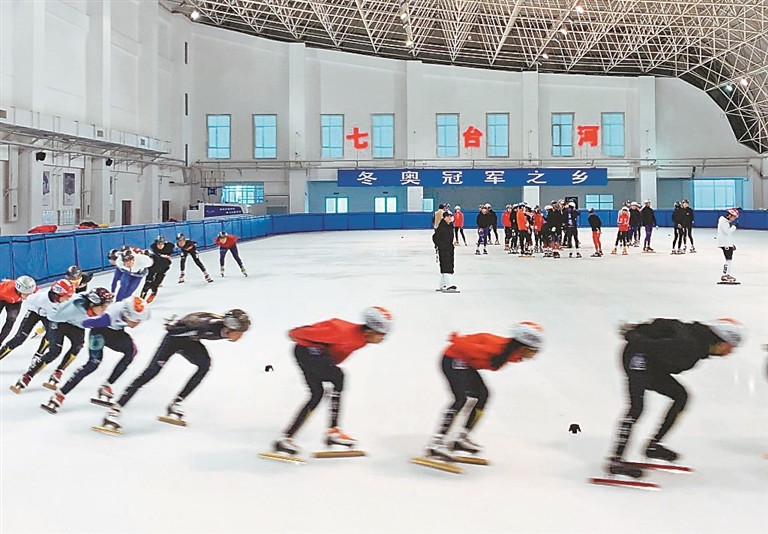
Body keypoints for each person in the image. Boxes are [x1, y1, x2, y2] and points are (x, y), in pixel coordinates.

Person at [606, 318, 744, 478]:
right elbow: (648, 344)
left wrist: (637, 329)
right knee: (637, 408)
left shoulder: (697, 341)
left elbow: (665, 324)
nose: (730, 353)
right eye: (731, 347)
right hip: (638, 355)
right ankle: (616, 460)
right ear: (722, 342)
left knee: (681, 396)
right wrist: (633, 334)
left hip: (652, 362)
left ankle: (653, 445)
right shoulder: (689, 346)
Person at [96, 309, 251, 433]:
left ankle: (176, 403)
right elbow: (193, 320)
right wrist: (176, 325)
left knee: (204, 365)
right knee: (149, 374)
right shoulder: (208, 325)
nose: (241, 336)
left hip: (189, 341)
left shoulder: (222, 329)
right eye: (241, 332)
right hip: (172, 341)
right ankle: (114, 411)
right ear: (231, 328)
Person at [272, 306, 392, 456]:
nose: (384, 338)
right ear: (369, 332)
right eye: (382, 334)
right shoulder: (342, 330)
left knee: (317, 395)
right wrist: (297, 334)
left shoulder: (361, 340)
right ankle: (333, 432)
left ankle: (285, 439)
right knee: (338, 377)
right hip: (307, 351)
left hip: (311, 354)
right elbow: (301, 332)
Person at [424, 322, 543, 460]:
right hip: (453, 358)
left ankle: (461, 438)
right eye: (534, 350)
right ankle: (437, 443)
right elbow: (459, 345)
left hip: (464, 362)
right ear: (523, 347)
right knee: (461, 399)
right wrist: (456, 338)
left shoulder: (510, 353)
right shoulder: (494, 348)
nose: (535, 355)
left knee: (483, 395)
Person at [42, 296, 150, 414]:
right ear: (127, 314)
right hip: (99, 332)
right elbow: (84, 323)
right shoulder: (108, 317)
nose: (137, 324)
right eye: (136, 320)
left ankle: (106, 386)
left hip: (116, 333)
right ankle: (60, 394)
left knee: (131, 352)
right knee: (93, 363)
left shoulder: (127, 310)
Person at [10, 287, 113, 393]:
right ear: (93, 303)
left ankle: (59, 371)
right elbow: (52, 317)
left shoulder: (92, 307)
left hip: (75, 324)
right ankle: (28, 376)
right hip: (58, 321)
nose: (105, 309)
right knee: (55, 351)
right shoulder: (73, 307)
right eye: (103, 306)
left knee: (78, 345)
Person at [0, 279, 75, 362]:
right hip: (34, 311)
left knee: (51, 334)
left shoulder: (65, 302)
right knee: (19, 339)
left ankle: (38, 355)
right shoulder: (38, 297)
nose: (68, 299)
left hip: (46, 314)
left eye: (70, 296)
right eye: (67, 296)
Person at [0, 276, 37, 346]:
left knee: (11, 320)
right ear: (19, 291)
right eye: (26, 294)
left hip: (15, 302)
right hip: (1, 298)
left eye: (30, 294)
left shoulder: (33, 290)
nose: (29, 296)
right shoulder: (6, 290)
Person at [141, 235, 175, 303]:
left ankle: (153, 293)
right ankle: (141, 298)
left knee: (154, 284)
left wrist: (166, 256)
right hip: (153, 267)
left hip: (163, 268)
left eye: (161, 244)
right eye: (158, 243)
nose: (159, 245)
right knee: (147, 283)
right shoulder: (153, 249)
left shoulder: (169, 247)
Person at [433, 211, 458, 292]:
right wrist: (440, 245)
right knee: (446, 265)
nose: (450, 218)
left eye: (450, 216)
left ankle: (442, 284)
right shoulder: (441, 227)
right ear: (444, 217)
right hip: (444, 249)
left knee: (448, 265)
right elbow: (435, 237)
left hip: (449, 248)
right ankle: (449, 284)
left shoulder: (450, 226)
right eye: (448, 217)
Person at [717, 208, 739, 284]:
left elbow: (727, 236)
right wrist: (734, 227)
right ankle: (724, 275)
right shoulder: (723, 221)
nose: (733, 219)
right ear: (730, 215)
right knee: (727, 260)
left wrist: (731, 244)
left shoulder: (726, 222)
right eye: (733, 217)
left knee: (729, 260)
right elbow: (727, 232)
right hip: (724, 244)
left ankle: (727, 274)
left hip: (727, 243)